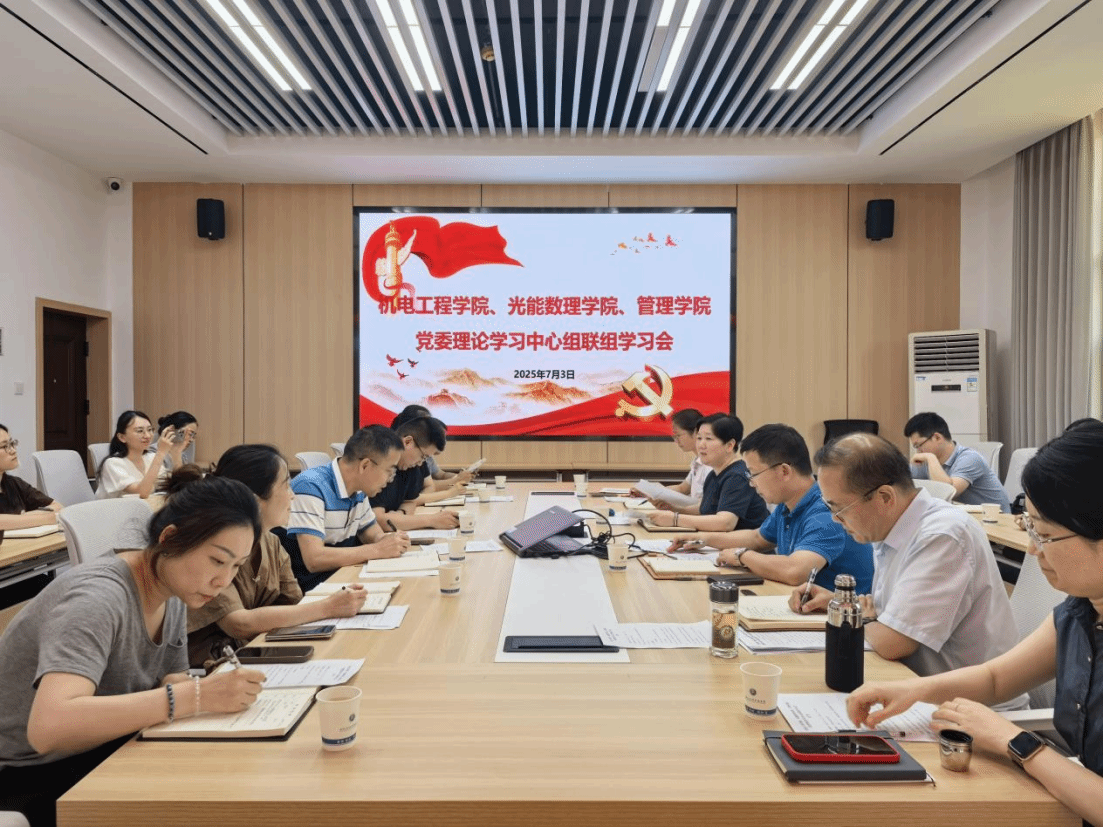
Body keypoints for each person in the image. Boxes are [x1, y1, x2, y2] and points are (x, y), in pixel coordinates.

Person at [846, 423, 1101, 826]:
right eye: (1030, 528)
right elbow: (996, 678)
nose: (1033, 549)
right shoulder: (1081, 611)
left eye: (1045, 534)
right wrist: (912, 691)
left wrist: (1015, 742)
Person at [0, 473, 266, 826]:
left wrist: (203, 693)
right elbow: (48, 729)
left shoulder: (173, 591)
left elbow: (173, 678)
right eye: (217, 561)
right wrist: (195, 696)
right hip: (28, 772)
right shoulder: (98, 598)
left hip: (105, 746)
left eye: (236, 566)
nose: (224, 581)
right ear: (169, 539)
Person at [790, 433, 1023, 681]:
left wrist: (860, 618)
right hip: (916, 682)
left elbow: (893, 642)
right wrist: (843, 605)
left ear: (885, 497)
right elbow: (890, 613)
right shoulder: (890, 526)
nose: (835, 519)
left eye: (840, 508)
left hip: (965, 697)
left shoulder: (941, 536)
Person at [184, 445, 368, 668]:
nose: (293, 495)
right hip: (215, 665)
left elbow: (294, 603)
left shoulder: (271, 542)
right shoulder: (212, 546)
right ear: (254, 500)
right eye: (286, 485)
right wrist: (328, 607)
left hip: (261, 651)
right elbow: (238, 624)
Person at [672, 423, 873, 593]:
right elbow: (757, 538)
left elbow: (795, 571)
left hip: (837, 619)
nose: (751, 483)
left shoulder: (826, 510)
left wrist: (742, 556)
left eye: (753, 474)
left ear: (784, 471)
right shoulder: (789, 504)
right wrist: (702, 539)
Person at [279, 425, 410, 592]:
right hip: (309, 590)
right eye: (389, 472)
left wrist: (389, 541)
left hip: (341, 578)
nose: (390, 480)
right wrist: (378, 549)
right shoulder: (310, 486)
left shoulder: (360, 489)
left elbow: (372, 534)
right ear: (365, 465)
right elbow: (314, 559)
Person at [647, 414, 769, 531]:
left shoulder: (737, 476)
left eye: (708, 439)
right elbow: (704, 509)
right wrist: (674, 510)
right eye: (699, 438)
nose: (701, 445)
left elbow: (726, 522)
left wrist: (675, 519)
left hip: (745, 544)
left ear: (730, 445)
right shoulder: (714, 473)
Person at [904, 411, 1011, 512]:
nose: (918, 451)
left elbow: (948, 491)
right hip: (964, 518)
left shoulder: (970, 458)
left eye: (918, 445)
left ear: (937, 437)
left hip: (997, 520)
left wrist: (931, 459)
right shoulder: (927, 461)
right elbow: (903, 482)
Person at [370, 416, 462, 530]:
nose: (420, 463)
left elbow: (410, 502)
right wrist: (432, 520)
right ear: (408, 442)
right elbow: (378, 521)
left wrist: (401, 515)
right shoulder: (379, 462)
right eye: (423, 456)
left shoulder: (410, 466)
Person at [631, 408, 707, 507]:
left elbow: (705, 505)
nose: (676, 441)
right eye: (674, 436)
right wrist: (649, 491)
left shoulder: (710, 465)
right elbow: (682, 488)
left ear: (696, 432)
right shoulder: (697, 461)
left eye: (678, 435)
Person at [0, 423, 62, 543]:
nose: (13, 450)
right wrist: (45, 518)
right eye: (4, 446)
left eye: (12, 444)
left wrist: (19, 519)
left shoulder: (14, 483)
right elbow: (51, 517)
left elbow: (58, 507)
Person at [390, 406, 472, 491]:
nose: (420, 462)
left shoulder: (417, 457)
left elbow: (435, 479)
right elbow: (423, 488)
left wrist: (459, 478)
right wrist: (456, 481)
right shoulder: (404, 460)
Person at [96, 410, 172, 499]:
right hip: (118, 508)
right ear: (122, 437)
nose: (147, 436)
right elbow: (142, 493)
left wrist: (177, 451)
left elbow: (170, 484)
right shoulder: (113, 464)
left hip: (144, 506)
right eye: (140, 431)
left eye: (150, 430)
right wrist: (161, 453)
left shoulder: (150, 457)